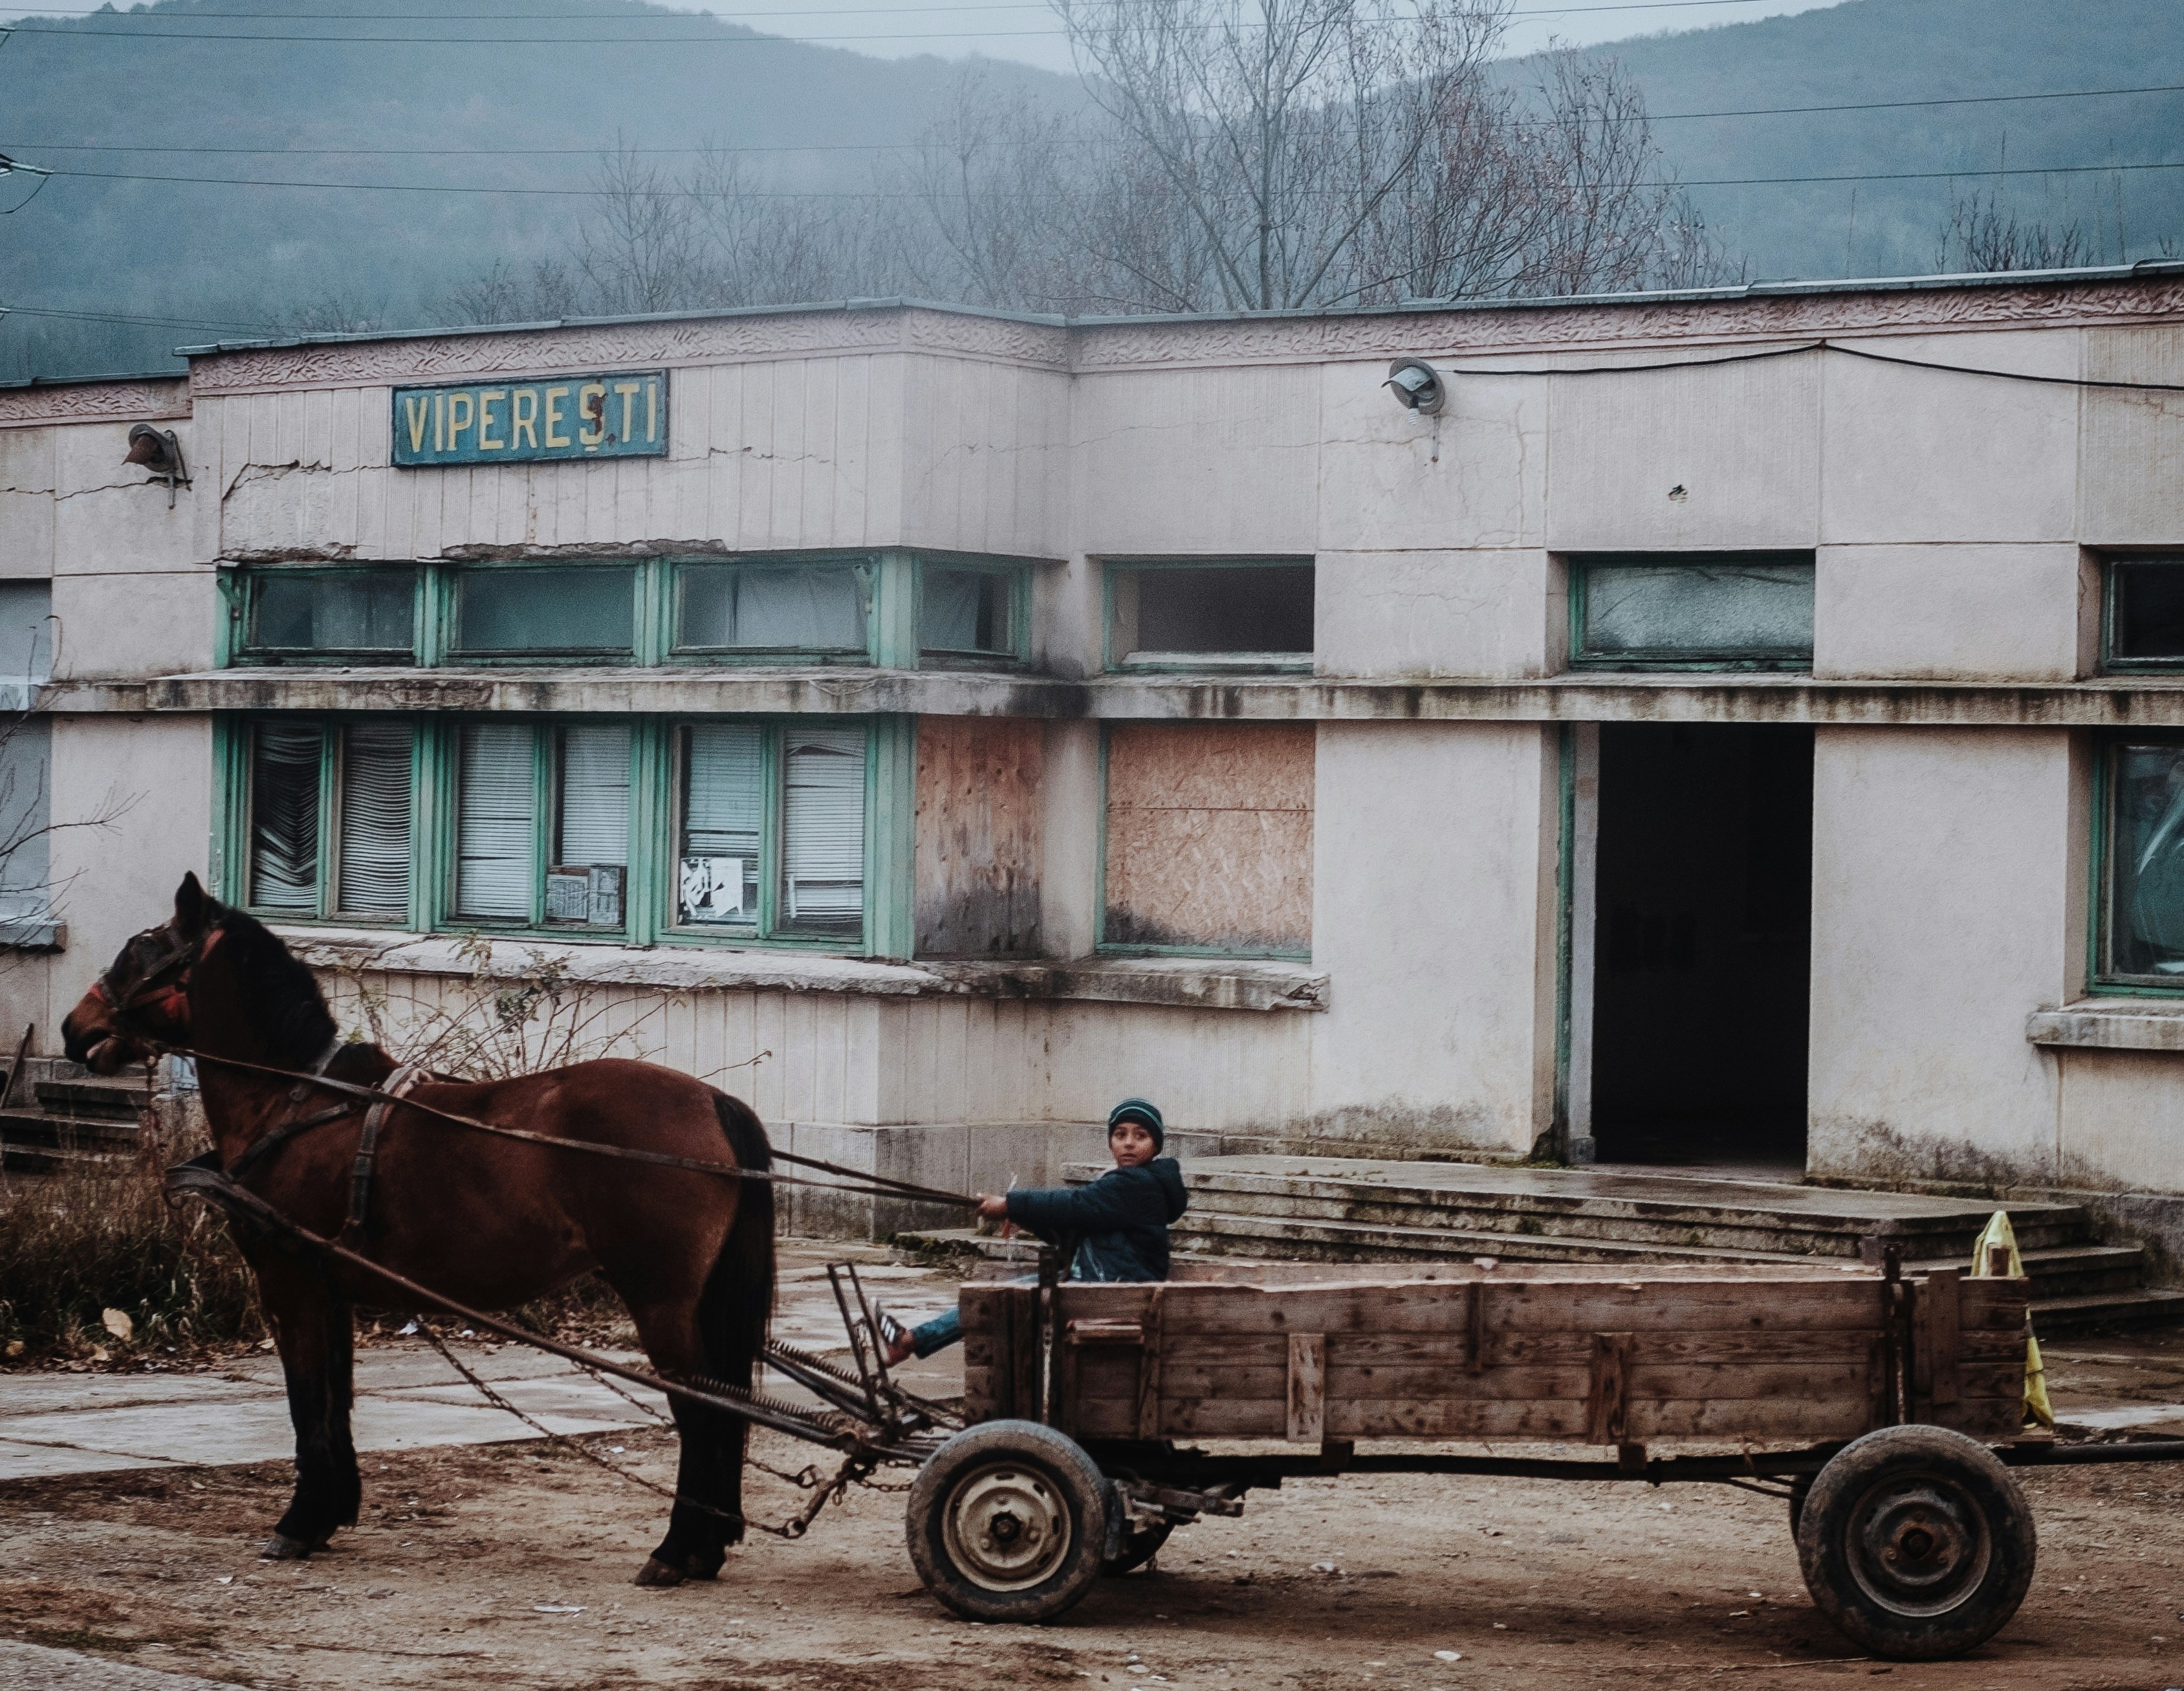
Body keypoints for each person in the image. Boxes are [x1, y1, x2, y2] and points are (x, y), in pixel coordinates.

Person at [877, 1098, 1186, 1365]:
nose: (1129, 1142)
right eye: (1120, 1134)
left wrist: (1011, 1205)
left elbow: (1077, 1204)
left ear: (1155, 1146)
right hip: (1105, 1281)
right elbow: (1076, 1231)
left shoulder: (1138, 1185)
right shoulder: (1126, 1183)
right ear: (1110, 1142)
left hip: (1116, 1289)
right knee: (997, 1296)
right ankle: (910, 1341)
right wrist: (1028, 1218)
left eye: (1141, 1136)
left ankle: (908, 1342)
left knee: (995, 1300)